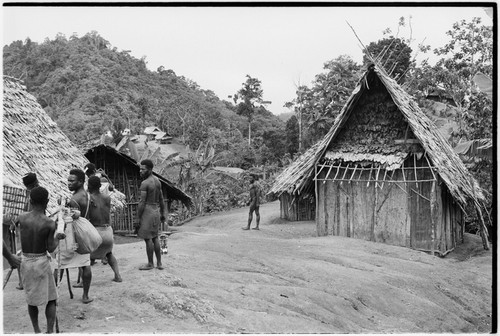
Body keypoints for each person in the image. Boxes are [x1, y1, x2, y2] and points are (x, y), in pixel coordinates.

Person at [18, 186, 63, 334]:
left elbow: (14, 227)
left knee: (31, 299)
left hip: (25, 261)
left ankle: (37, 331)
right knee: (51, 299)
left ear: (30, 201)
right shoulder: (49, 223)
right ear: (47, 201)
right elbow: (51, 248)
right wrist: (58, 237)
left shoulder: (22, 218)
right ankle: (49, 331)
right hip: (41, 262)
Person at [59, 168, 93, 304]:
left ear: (80, 181)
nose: (69, 183)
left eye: (72, 181)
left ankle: (54, 293)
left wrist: (63, 207)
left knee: (60, 264)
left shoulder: (74, 199)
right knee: (85, 264)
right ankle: (85, 296)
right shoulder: (87, 195)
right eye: (68, 180)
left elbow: (69, 219)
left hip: (73, 235)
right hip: (84, 234)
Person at [87, 176, 122, 282]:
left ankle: (82, 282)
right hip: (107, 230)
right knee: (109, 253)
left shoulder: (89, 199)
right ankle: (117, 276)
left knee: (85, 257)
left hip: (96, 231)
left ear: (89, 186)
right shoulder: (107, 197)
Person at [136, 159, 165, 270]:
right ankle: (159, 263)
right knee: (155, 237)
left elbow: (142, 202)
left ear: (150, 169)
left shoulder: (145, 183)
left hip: (148, 211)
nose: (140, 171)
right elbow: (161, 199)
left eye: (143, 169)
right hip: (156, 210)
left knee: (148, 239)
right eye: (140, 169)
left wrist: (138, 217)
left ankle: (150, 264)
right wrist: (162, 212)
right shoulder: (158, 181)